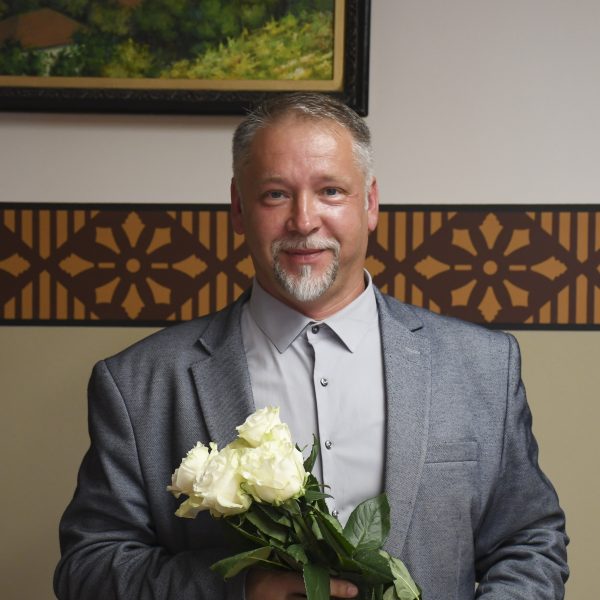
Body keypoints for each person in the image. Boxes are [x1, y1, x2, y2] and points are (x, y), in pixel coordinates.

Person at [54, 93, 568, 599]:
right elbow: (89, 567)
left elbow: (530, 542)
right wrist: (240, 590)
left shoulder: (482, 366)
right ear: (238, 208)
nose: (303, 221)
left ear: (370, 203)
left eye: (330, 191)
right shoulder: (137, 383)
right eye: (275, 194)